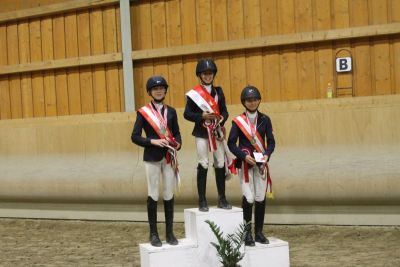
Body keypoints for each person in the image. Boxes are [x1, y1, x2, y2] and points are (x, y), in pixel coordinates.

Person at [131, 76, 181, 247]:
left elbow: (177, 133)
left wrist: (178, 143)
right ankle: (153, 234)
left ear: (165, 90)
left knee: (168, 192)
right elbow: (135, 136)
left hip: (168, 157)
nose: (159, 91)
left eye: (161, 88)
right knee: (153, 193)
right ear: (150, 92)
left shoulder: (172, 112)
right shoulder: (143, 113)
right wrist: (152, 141)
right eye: (155, 89)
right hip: (152, 157)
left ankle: (169, 232)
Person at [227, 86, 275, 246]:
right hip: (245, 164)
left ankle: (259, 232)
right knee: (249, 197)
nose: (252, 102)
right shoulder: (238, 121)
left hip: (261, 163)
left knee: (260, 197)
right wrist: (243, 156)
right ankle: (246, 233)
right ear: (244, 102)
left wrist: (267, 154)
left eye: (255, 99)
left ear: (259, 100)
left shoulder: (265, 120)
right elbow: (231, 143)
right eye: (249, 100)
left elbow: (271, 142)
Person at [184, 58, 232, 212]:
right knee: (203, 163)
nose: (208, 76)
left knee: (219, 162)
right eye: (205, 73)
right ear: (200, 75)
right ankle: (202, 200)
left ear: (213, 74)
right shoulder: (194, 94)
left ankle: (222, 198)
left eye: (210, 73)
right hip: (201, 132)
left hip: (216, 132)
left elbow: (224, 111)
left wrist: (221, 120)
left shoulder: (219, 91)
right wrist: (201, 117)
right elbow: (187, 114)